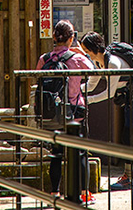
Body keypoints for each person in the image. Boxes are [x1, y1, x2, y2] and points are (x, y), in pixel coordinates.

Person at [80, 32, 133, 191]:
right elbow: (91, 85)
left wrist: (88, 100)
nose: (85, 52)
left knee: (128, 138)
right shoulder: (100, 62)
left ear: (94, 48)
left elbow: (109, 93)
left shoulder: (112, 63)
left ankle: (129, 178)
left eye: (86, 49)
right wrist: (74, 92)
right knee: (130, 139)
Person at [36, 20, 94, 199]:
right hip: (75, 110)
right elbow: (92, 70)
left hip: (53, 113)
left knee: (56, 152)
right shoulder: (77, 58)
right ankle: (83, 192)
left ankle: (55, 192)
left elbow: (37, 79)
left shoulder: (44, 59)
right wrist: (81, 52)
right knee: (81, 152)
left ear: (54, 37)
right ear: (72, 38)